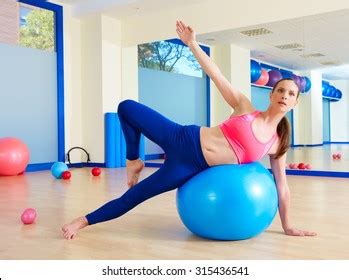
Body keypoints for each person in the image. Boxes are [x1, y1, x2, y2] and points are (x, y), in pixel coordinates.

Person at [62, 20, 317, 239]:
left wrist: (287, 225)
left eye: (291, 94)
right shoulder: (244, 107)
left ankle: (82, 221)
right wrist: (192, 43)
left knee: (135, 196)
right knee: (126, 107)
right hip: (183, 137)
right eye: (281, 90)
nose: (284, 95)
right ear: (271, 94)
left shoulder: (276, 143)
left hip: (190, 166)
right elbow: (216, 74)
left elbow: (282, 186)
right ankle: (133, 161)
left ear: (294, 103)